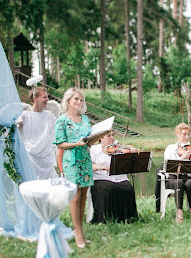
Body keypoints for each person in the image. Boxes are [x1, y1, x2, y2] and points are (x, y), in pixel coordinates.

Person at [54, 87, 100, 248]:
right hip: (72, 161)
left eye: (81, 100)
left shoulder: (85, 119)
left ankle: (79, 229)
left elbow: (89, 141)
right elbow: (60, 143)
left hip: (85, 159)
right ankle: (78, 231)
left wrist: (98, 137)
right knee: (75, 196)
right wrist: (76, 144)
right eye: (76, 99)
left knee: (84, 195)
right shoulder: (62, 120)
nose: (79, 102)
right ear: (68, 101)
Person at [89, 131, 138, 223]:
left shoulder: (117, 148)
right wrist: (102, 167)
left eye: (112, 135)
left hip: (119, 177)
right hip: (101, 178)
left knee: (128, 188)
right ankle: (105, 217)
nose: (112, 138)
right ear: (101, 138)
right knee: (107, 188)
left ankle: (127, 217)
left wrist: (132, 152)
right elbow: (89, 166)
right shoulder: (93, 150)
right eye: (108, 136)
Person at [17, 87, 58, 179]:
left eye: (47, 97)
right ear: (35, 99)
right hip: (30, 157)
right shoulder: (25, 115)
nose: (47, 100)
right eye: (44, 97)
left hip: (46, 158)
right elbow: (14, 128)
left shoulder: (49, 115)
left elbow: (59, 129)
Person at [163, 123, 191, 223]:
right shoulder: (170, 148)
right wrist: (182, 158)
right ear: (177, 134)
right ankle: (179, 212)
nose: (187, 137)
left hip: (187, 177)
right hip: (172, 178)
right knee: (179, 183)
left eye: (188, 134)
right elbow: (168, 166)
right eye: (184, 134)